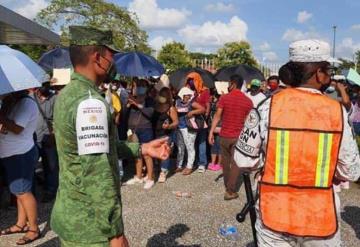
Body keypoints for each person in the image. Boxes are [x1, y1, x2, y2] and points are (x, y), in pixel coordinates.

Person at [50, 26, 170, 247]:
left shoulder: (67, 94)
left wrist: (142, 149)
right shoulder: (90, 104)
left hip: (73, 216)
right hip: (91, 227)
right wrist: (114, 232)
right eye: (111, 55)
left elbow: (103, 149)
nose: (114, 61)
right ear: (97, 57)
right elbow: (97, 172)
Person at [234, 39, 360, 246]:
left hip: (273, 215)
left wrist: (267, 167)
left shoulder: (265, 107)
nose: (330, 76)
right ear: (319, 73)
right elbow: (351, 172)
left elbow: (243, 160)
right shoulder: (337, 112)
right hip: (321, 219)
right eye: (328, 70)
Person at [0, 90, 40, 245]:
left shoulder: (26, 103)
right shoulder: (12, 102)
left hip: (20, 154)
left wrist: (1, 116)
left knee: (23, 192)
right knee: (18, 191)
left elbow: (17, 128)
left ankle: (34, 229)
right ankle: (20, 223)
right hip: (11, 153)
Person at [208, 75, 253, 200]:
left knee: (226, 162)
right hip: (238, 136)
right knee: (236, 163)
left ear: (233, 84)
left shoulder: (224, 98)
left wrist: (211, 132)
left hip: (224, 136)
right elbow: (248, 122)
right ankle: (230, 190)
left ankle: (228, 186)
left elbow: (217, 116)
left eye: (229, 83)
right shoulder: (248, 101)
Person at [125, 79, 156, 189]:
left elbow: (150, 113)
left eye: (142, 86)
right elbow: (124, 114)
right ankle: (138, 176)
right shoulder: (132, 98)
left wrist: (138, 104)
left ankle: (150, 178)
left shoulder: (150, 100)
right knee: (136, 153)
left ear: (146, 88)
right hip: (132, 130)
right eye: (137, 85)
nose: (138, 88)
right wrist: (128, 105)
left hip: (145, 129)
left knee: (147, 154)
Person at [34, 83, 59, 203]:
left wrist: (54, 134)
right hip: (34, 137)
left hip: (49, 136)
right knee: (32, 165)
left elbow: (58, 118)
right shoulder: (31, 98)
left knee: (51, 165)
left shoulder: (54, 99)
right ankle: (32, 192)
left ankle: (51, 190)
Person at [176, 87, 205, 175]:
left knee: (190, 147)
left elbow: (202, 109)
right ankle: (179, 165)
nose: (189, 96)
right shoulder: (177, 102)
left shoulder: (192, 103)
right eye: (187, 95)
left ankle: (189, 166)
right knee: (180, 147)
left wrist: (192, 112)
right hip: (179, 128)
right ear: (182, 95)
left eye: (189, 95)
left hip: (190, 128)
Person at [153, 87, 179, 182]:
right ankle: (159, 168)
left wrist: (168, 126)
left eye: (163, 95)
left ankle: (163, 172)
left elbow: (176, 122)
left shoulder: (171, 108)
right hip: (155, 133)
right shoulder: (156, 106)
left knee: (164, 152)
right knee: (156, 152)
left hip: (166, 134)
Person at [186, 73, 210, 172]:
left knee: (202, 141)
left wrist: (206, 116)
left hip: (201, 119)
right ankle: (194, 161)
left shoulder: (205, 90)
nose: (191, 82)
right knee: (192, 142)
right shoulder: (189, 91)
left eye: (193, 80)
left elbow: (207, 104)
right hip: (191, 120)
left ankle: (202, 163)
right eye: (189, 80)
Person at [207, 90, 222, 171]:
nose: (213, 97)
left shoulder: (220, 104)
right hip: (214, 127)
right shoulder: (213, 103)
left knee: (218, 146)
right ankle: (214, 162)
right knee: (214, 145)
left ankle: (218, 163)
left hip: (219, 127)